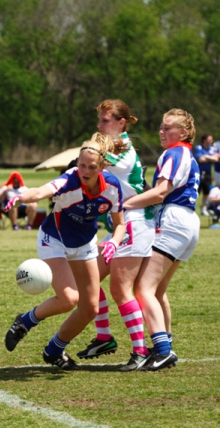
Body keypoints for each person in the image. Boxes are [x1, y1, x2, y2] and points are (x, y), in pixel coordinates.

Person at [4, 133, 125, 370]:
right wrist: (21, 198)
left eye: (91, 167)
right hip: (54, 240)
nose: (85, 171)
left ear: (102, 167)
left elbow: (120, 224)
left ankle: (54, 350)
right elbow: (40, 191)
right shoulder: (69, 180)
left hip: (85, 245)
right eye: (82, 165)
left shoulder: (112, 187)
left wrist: (114, 242)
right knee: (69, 299)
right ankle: (25, 321)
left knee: (90, 308)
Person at [75, 100, 156, 371]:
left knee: (121, 290)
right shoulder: (112, 148)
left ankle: (141, 351)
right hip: (120, 225)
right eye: (99, 119)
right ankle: (104, 338)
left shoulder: (123, 151)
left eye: (105, 120)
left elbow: (94, 165)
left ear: (122, 123)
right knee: (88, 278)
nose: (99, 124)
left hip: (134, 224)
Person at [123, 108, 200, 371]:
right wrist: (145, 189)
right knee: (157, 290)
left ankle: (163, 351)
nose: (162, 131)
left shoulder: (174, 153)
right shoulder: (186, 154)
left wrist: (125, 204)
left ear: (184, 132)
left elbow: (161, 194)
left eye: (168, 127)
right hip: (186, 221)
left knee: (143, 288)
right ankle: (165, 345)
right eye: (161, 127)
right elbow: (162, 192)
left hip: (173, 221)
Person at [194, 134, 219, 215]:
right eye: (210, 139)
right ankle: (192, 206)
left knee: (206, 192)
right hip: (199, 173)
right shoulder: (198, 148)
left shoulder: (212, 148)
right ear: (205, 140)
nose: (211, 141)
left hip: (208, 173)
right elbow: (200, 159)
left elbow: (216, 159)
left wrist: (206, 157)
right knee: (196, 191)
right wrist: (210, 158)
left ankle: (204, 208)